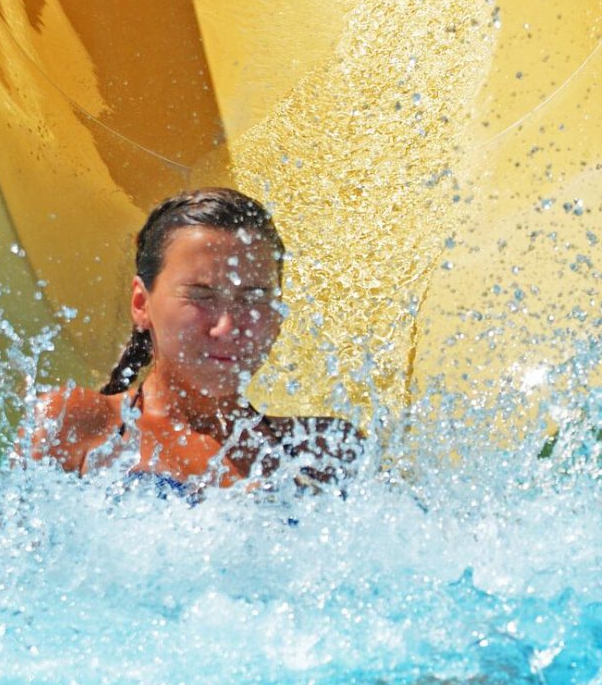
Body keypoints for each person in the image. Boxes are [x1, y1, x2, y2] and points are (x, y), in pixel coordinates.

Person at [27, 187, 361, 499]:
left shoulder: (322, 451)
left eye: (253, 298)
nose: (227, 327)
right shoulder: (78, 425)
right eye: (201, 296)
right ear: (141, 304)